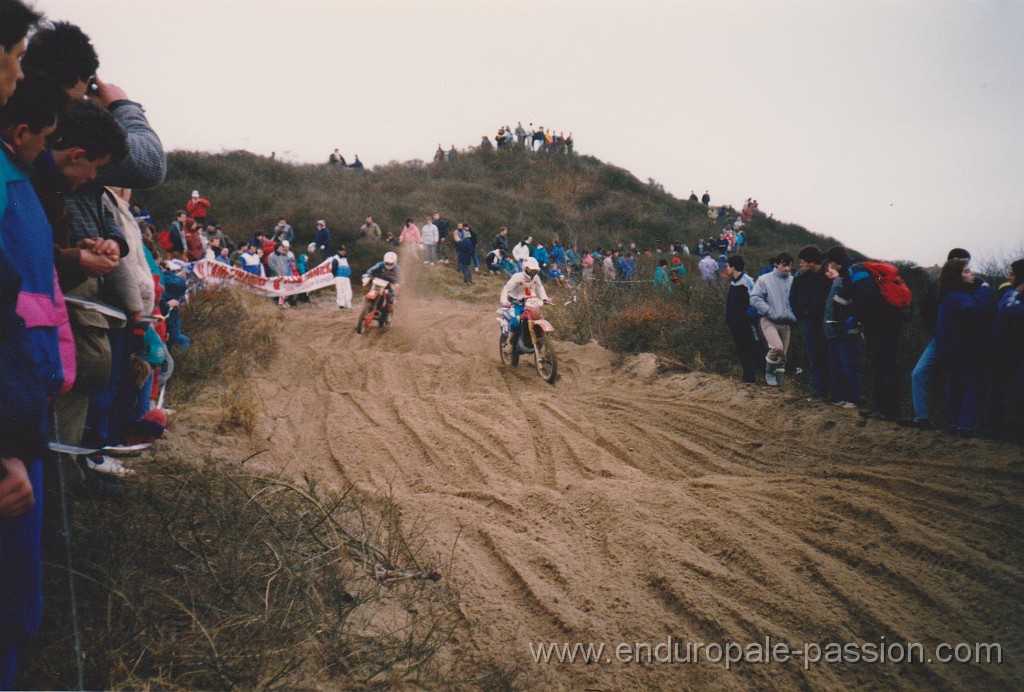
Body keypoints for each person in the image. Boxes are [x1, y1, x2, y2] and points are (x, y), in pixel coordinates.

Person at [825, 245, 908, 421]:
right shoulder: (857, 269)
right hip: (889, 320)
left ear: (835, 262)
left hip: (881, 324)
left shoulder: (854, 273)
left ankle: (884, 409)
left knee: (881, 364)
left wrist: (854, 319)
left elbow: (867, 300)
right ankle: (888, 408)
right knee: (886, 364)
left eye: (831, 263)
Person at [904, 248, 973, 428]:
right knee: (919, 374)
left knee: (955, 382)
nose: (966, 267)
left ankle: (956, 424)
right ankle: (922, 417)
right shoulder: (936, 286)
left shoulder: (972, 286)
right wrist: (935, 331)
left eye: (966, 263)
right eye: (961, 263)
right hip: (940, 338)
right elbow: (925, 311)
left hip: (960, 341)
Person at [934, 258, 993, 437]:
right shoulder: (957, 297)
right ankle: (966, 427)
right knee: (972, 386)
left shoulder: (947, 296)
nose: (972, 273)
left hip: (949, 351)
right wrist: (985, 290)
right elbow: (975, 309)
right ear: (956, 276)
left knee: (954, 387)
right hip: (964, 351)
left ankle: (954, 424)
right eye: (966, 271)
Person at [790, 245, 832, 400]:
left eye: (803, 262)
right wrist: (800, 315)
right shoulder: (801, 277)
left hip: (826, 322)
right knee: (814, 357)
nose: (800, 265)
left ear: (812, 262)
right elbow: (793, 298)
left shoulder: (828, 276)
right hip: (809, 322)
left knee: (829, 356)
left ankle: (834, 392)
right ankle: (819, 391)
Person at [990, 259, 1024, 442]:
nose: (1008, 276)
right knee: (1000, 392)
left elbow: (1008, 309)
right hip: (1004, 352)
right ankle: (998, 433)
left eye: (1012, 273)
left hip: (1012, 352)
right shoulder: (1011, 293)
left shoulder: (1013, 295)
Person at [750, 252, 795, 386]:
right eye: (784, 265)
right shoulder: (765, 279)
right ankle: (769, 372)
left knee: (783, 355)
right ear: (777, 264)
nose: (787, 268)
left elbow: (797, 300)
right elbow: (755, 298)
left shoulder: (793, 281)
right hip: (768, 320)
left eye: (789, 266)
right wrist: (769, 311)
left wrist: (795, 315)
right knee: (776, 347)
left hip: (786, 322)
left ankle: (779, 381)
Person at [823, 263, 861, 408]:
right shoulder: (833, 285)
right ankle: (844, 397)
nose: (829, 272)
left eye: (832, 268)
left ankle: (850, 398)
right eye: (826, 270)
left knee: (846, 365)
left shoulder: (841, 284)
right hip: (837, 330)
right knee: (840, 365)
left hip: (842, 330)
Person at [723, 255, 764, 383]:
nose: (726, 269)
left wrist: (748, 316)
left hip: (746, 324)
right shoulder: (733, 282)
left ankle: (767, 376)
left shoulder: (747, 281)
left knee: (755, 349)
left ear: (733, 267)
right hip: (735, 325)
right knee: (741, 351)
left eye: (728, 266)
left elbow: (756, 300)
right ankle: (748, 377)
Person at [499, 257, 550, 348]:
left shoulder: (536, 278)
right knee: (515, 322)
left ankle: (543, 341)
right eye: (532, 270)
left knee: (542, 318)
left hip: (532, 303)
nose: (534, 272)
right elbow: (506, 289)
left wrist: (545, 298)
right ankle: (509, 343)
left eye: (535, 270)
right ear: (525, 268)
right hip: (517, 303)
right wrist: (504, 301)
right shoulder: (517, 277)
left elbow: (540, 288)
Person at [361, 251, 402, 318]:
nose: (388, 264)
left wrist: (398, 283)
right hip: (378, 281)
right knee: (369, 290)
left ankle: (389, 313)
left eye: (391, 263)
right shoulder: (380, 264)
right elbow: (371, 270)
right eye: (387, 263)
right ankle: (367, 305)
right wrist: (367, 275)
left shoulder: (397, 268)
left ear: (394, 262)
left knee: (390, 297)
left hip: (389, 284)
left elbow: (401, 277)